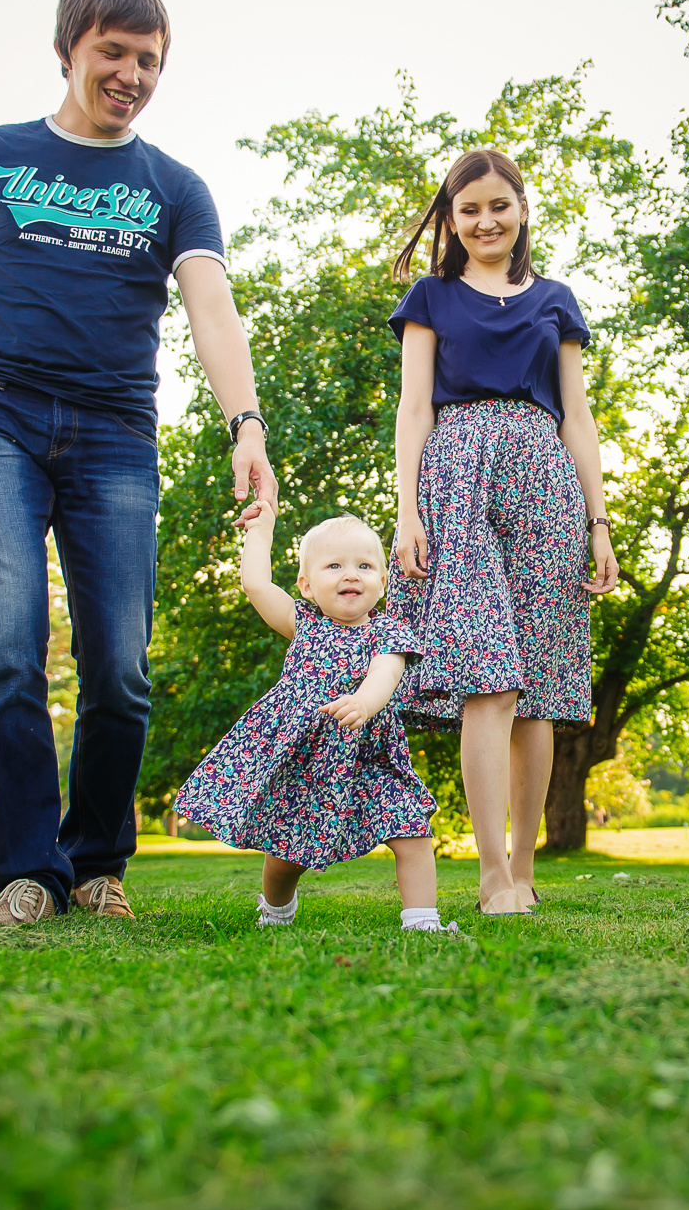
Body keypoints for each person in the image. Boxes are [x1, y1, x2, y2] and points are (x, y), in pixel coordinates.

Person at [0, 0, 276, 925]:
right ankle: (27, 874)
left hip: (116, 435)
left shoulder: (174, 188)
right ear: (67, 51)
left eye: (149, 60)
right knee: (7, 644)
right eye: (113, 52)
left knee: (120, 669)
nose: (131, 74)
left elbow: (213, 311)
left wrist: (246, 423)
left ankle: (96, 865)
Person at [386, 149, 619, 916]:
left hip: (546, 482)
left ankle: (522, 871)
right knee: (488, 676)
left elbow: (577, 416)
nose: (486, 221)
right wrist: (407, 509)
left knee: (539, 690)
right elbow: (413, 407)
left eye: (499, 206)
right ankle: (490, 874)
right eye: (470, 209)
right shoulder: (431, 296)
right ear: (451, 219)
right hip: (458, 478)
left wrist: (599, 521)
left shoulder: (556, 300)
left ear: (521, 208)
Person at [176, 502, 451, 932]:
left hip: (369, 759)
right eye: (334, 566)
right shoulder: (301, 623)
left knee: (411, 828)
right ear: (306, 585)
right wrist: (261, 529)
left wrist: (364, 702)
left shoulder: (388, 631)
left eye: (364, 566)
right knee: (285, 855)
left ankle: (422, 921)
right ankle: (276, 909)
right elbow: (255, 584)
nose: (350, 574)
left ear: (382, 581)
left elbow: (386, 673)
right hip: (304, 762)